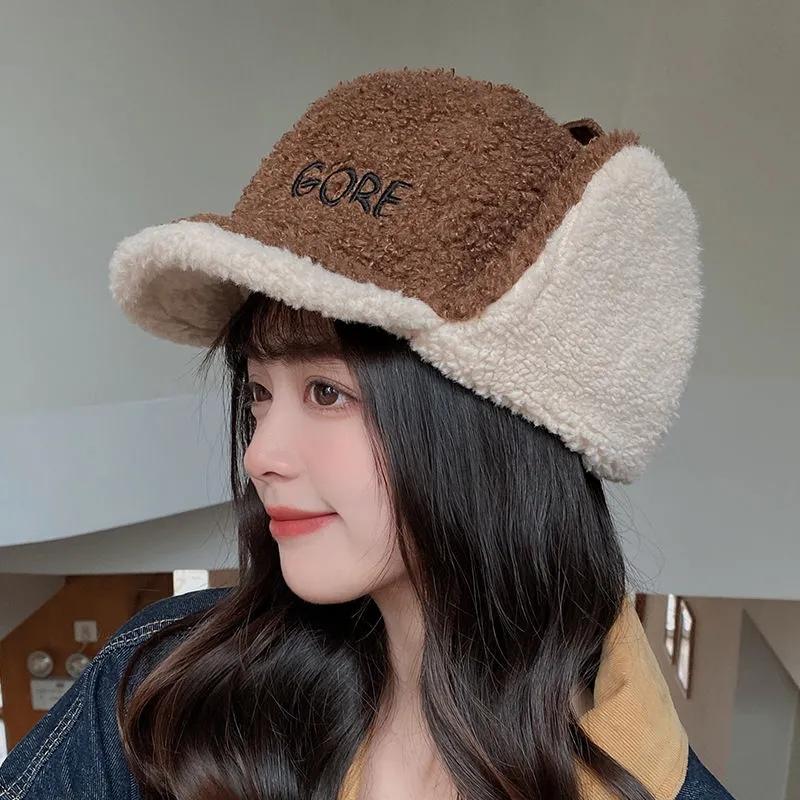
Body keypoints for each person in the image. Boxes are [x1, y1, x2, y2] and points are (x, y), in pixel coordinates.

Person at [0, 67, 736, 799]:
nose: (259, 455)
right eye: (258, 394)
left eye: (326, 393)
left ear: (488, 425)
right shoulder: (160, 697)